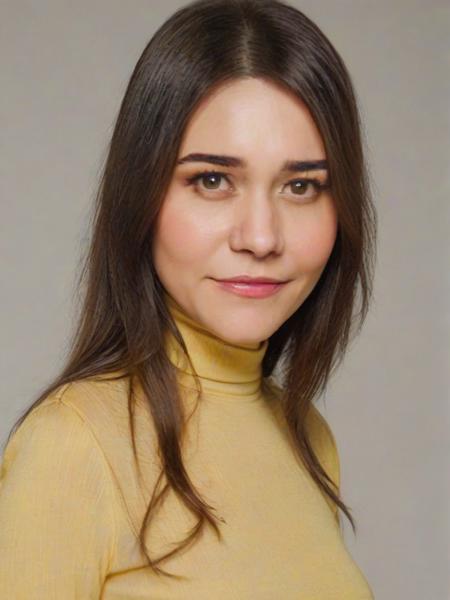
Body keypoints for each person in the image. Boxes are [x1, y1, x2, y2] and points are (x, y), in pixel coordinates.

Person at [0, 0, 377, 597]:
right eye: (212, 180)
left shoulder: (308, 437)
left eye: (301, 185)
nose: (260, 237)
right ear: (141, 195)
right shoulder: (72, 448)